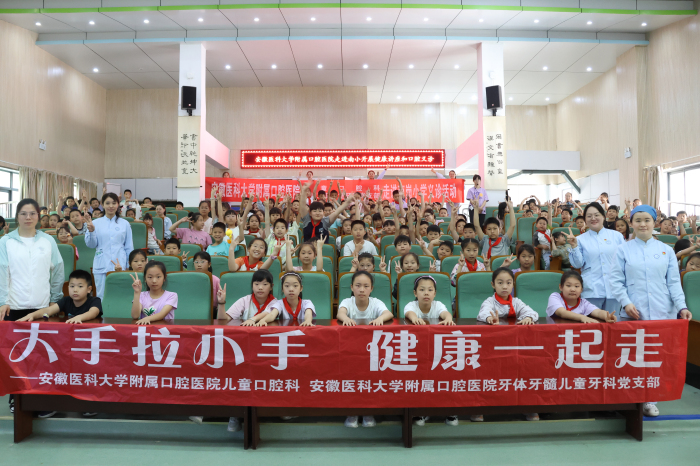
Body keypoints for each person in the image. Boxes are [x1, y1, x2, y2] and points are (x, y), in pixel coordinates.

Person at [609, 204, 692, 418]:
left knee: (655, 355)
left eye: (647, 220)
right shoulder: (623, 250)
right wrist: (626, 302)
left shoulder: (665, 250)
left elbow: (673, 282)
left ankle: (650, 399)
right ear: (631, 223)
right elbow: (616, 281)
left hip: (662, 310)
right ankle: (629, 397)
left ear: (654, 222)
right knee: (633, 355)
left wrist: (682, 306)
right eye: (638, 220)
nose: (642, 224)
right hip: (633, 310)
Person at [337, 271, 393, 428]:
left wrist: (380, 318)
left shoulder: (376, 302)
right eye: (358, 285)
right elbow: (340, 313)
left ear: (371, 288)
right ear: (351, 287)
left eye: (366, 286)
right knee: (351, 379)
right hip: (350, 351)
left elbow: (388, 313)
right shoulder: (347, 302)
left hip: (372, 353)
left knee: (370, 380)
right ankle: (352, 412)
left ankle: (369, 411)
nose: (362, 289)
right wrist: (346, 319)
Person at [566, 202, 625, 313]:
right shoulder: (580, 239)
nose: (593, 218)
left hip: (614, 288)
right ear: (585, 219)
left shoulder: (616, 236)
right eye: (589, 216)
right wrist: (574, 246)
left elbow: (624, 262)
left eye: (596, 215)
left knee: (614, 321)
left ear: (604, 216)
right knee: (592, 322)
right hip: (592, 290)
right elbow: (577, 264)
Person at [85, 192, 134, 299]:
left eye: (113, 203)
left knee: (120, 295)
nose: (111, 206)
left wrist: (128, 264)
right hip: (101, 263)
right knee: (102, 296)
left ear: (118, 204)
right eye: (107, 203)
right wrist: (91, 231)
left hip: (120, 263)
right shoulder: (95, 223)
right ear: (102, 204)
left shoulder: (124, 223)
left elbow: (129, 246)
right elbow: (91, 245)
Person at [17, 269, 102, 324]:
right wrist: (32, 315)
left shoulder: (95, 300)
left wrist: (79, 317)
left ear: (89, 289)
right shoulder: (66, 300)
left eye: (80, 286)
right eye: (72, 286)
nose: (75, 290)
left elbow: (93, 313)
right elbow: (48, 310)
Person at [546, 271, 616, 323]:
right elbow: (562, 313)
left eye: (576, 286)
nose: (573, 289)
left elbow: (597, 312)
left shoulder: (584, 303)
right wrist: (582, 317)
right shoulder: (555, 297)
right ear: (561, 287)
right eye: (568, 285)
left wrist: (606, 316)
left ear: (581, 290)